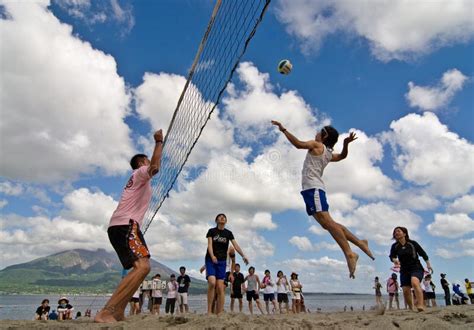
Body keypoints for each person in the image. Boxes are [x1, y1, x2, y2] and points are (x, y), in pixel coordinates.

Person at [271, 121, 374, 278]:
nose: (316, 133)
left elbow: (298, 144)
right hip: (311, 190)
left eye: (320, 132)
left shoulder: (317, 145)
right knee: (329, 225)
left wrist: (283, 129)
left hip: (314, 188)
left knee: (329, 223)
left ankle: (349, 253)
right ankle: (360, 243)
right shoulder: (327, 153)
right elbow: (342, 157)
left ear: (324, 136)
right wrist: (346, 144)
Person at [94, 130, 164, 323]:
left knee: (139, 268)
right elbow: (155, 167)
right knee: (143, 267)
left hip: (120, 226)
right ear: (142, 163)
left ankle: (117, 311)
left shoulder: (137, 179)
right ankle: (106, 312)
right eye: (147, 160)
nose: (150, 162)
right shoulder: (141, 172)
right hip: (126, 225)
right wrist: (159, 142)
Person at [205, 213, 249, 315]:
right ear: (216, 220)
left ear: (226, 221)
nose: (222, 217)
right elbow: (209, 245)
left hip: (222, 261)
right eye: (220, 217)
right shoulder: (211, 231)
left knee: (220, 287)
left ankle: (220, 313)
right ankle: (208, 311)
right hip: (211, 259)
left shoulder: (228, 233)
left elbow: (236, 245)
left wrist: (243, 255)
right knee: (212, 282)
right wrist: (212, 256)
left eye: (224, 217)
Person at [389, 226, 433, 312]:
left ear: (404, 233)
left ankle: (420, 305)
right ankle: (411, 308)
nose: (396, 233)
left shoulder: (412, 243)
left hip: (416, 267)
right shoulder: (395, 246)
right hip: (404, 269)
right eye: (395, 232)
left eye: (398, 231)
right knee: (405, 290)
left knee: (415, 282)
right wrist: (395, 260)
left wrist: (428, 265)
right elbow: (392, 256)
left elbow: (423, 254)